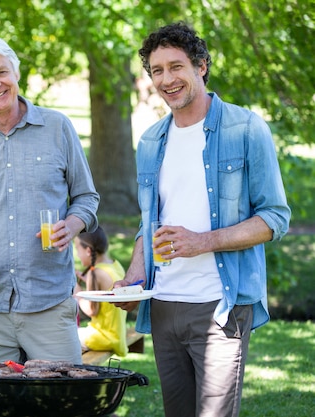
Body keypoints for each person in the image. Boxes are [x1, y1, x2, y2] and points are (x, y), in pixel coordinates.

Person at [114, 23, 291, 417]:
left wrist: (203, 241)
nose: (167, 79)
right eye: (157, 71)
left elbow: (275, 218)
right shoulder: (150, 141)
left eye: (176, 67)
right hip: (162, 303)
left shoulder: (245, 128)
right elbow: (150, 225)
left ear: (202, 66)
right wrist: (132, 279)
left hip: (220, 304)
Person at [0, 34, 99, 365]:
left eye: (1, 72)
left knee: (63, 401)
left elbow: (86, 197)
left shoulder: (58, 128)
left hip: (50, 303)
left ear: (17, 73)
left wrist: (72, 225)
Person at [74, 226, 128, 357]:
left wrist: (76, 288)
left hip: (102, 337)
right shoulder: (115, 265)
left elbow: (91, 310)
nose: (77, 254)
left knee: (61, 338)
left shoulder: (96, 273)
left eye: (77, 249)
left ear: (88, 251)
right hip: (117, 335)